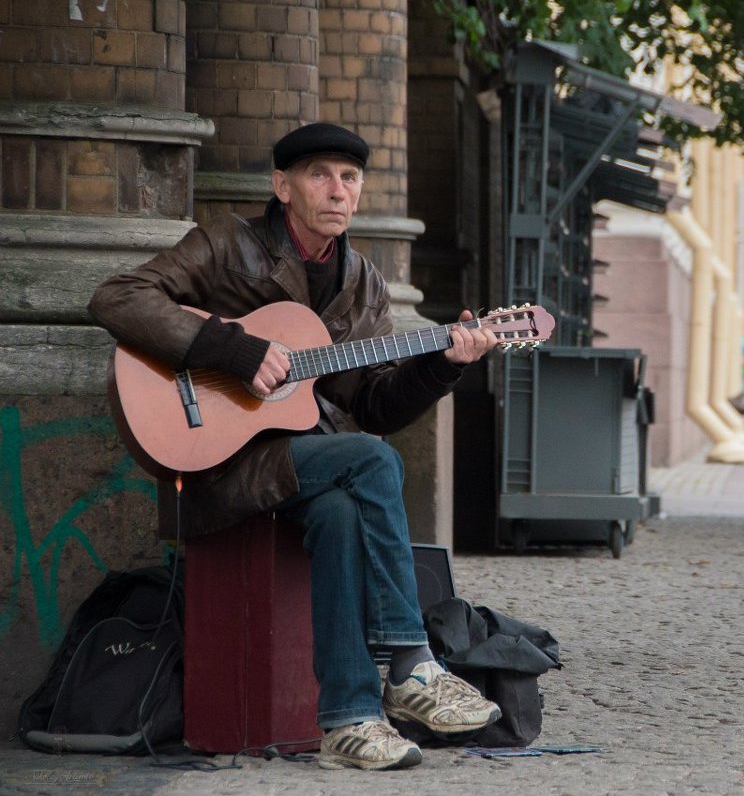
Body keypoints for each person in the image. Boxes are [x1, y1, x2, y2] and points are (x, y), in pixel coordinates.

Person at [88, 123, 501, 772]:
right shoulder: (228, 245)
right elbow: (116, 297)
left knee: (342, 511)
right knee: (371, 461)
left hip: (303, 466)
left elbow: (375, 404)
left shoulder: (362, 281)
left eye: (350, 178)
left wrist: (444, 363)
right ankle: (410, 660)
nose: (338, 189)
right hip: (218, 464)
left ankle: (347, 722)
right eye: (320, 175)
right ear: (282, 187)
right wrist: (236, 351)